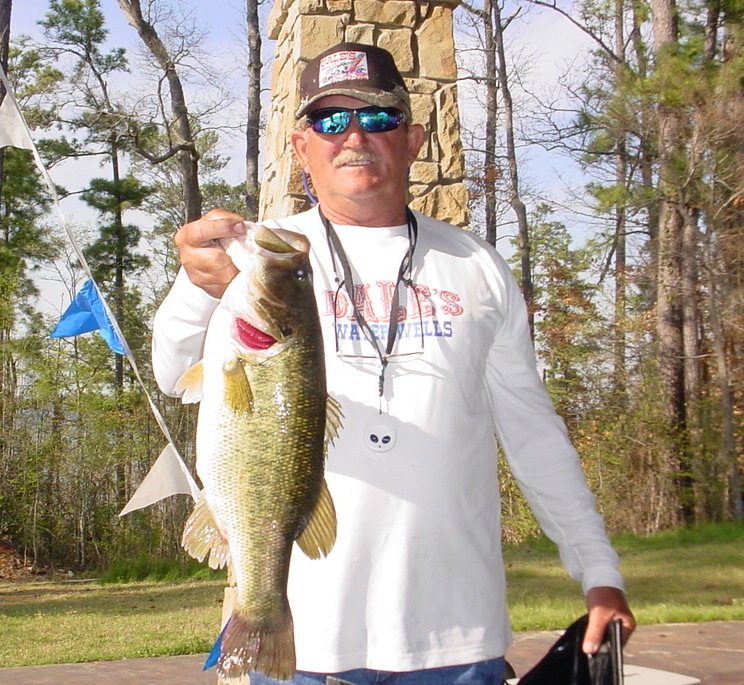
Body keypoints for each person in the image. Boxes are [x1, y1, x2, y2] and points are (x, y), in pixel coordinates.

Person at [152, 42, 635, 685]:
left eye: (378, 118)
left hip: (455, 639)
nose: (354, 136)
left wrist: (598, 571)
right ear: (301, 147)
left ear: (412, 140)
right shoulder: (260, 257)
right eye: (329, 120)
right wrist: (196, 286)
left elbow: (533, 433)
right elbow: (172, 370)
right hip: (301, 646)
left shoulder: (477, 266)